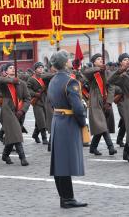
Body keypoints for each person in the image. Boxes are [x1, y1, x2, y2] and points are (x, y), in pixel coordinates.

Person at [47, 51, 87, 209]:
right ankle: (68, 199)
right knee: (65, 163)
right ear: (64, 63)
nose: (71, 60)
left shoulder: (53, 80)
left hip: (57, 121)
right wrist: (83, 122)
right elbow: (77, 108)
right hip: (69, 122)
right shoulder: (70, 82)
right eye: (69, 59)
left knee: (59, 163)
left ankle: (65, 197)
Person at [0, 63, 30, 166]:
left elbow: (27, 99)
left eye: (13, 68)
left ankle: (5, 155)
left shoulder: (22, 83)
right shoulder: (2, 81)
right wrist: (3, 98)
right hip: (7, 110)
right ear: (6, 71)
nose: (13, 69)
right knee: (16, 131)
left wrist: (22, 110)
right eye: (10, 68)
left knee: (12, 134)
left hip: (19, 111)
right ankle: (23, 158)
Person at [83, 54, 117, 156]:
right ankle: (110, 147)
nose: (101, 60)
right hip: (95, 100)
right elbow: (85, 72)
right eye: (98, 59)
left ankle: (93, 147)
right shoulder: (93, 72)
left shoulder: (107, 72)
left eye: (102, 59)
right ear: (94, 62)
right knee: (102, 124)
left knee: (101, 125)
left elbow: (111, 87)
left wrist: (109, 102)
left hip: (105, 101)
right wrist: (98, 68)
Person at [27, 62, 50, 145]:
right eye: (39, 67)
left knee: (41, 120)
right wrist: (35, 94)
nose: (41, 69)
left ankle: (35, 134)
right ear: (35, 69)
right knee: (41, 119)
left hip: (45, 100)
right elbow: (28, 89)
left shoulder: (44, 77)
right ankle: (44, 138)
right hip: (37, 101)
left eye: (42, 67)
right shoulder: (31, 79)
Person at [114, 53, 129, 147]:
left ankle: (119, 139)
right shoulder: (117, 73)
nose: (127, 61)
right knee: (126, 119)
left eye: (128, 59)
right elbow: (112, 85)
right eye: (124, 60)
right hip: (121, 99)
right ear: (120, 62)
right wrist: (122, 90)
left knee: (126, 120)